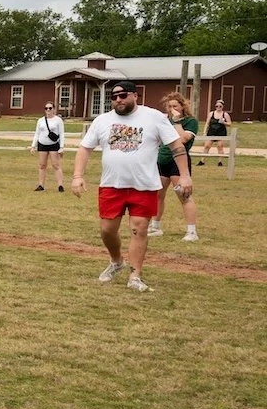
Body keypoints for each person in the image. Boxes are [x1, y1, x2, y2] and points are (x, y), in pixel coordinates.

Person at [72, 80, 191, 293]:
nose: (118, 99)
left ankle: (135, 275)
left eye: (123, 95)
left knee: (139, 229)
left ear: (135, 95)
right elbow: (84, 149)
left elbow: (176, 146)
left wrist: (185, 176)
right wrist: (77, 176)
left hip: (144, 185)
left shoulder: (154, 117)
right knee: (107, 230)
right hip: (112, 185)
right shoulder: (102, 121)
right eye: (114, 96)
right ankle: (116, 261)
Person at [149, 92, 199, 242]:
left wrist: (177, 122)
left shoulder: (190, 121)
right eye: (170, 106)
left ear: (183, 106)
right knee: (158, 195)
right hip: (162, 160)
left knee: (184, 196)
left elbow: (183, 139)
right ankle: (155, 227)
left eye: (175, 106)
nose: (172, 109)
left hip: (178, 162)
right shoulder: (165, 121)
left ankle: (191, 232)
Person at [28, 102, 65, 191]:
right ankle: (41, 185)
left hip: (53, 145)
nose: (48, 110)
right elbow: (37, 133)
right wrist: (33, 146)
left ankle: (60, 185)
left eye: (50, 108)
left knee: (56, 165)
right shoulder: (40, 120)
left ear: (54, 109)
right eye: (46, 108)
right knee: (42, 165)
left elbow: (61, 134)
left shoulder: (58, 120)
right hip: (42, 144)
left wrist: (61, 147)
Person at [199, 99, 231, 165]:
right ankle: (202, 161)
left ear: (222, 106)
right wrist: (204, 132)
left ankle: (220, 162)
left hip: (221, 132)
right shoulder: (211, 114)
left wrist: (224, 122)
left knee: (220, 146)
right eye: (217, 106)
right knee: (207, 146)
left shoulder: (225, 114)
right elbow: (207, 123)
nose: (218, 107)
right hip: (211, 132)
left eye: (220, 106)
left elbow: (229, 123)